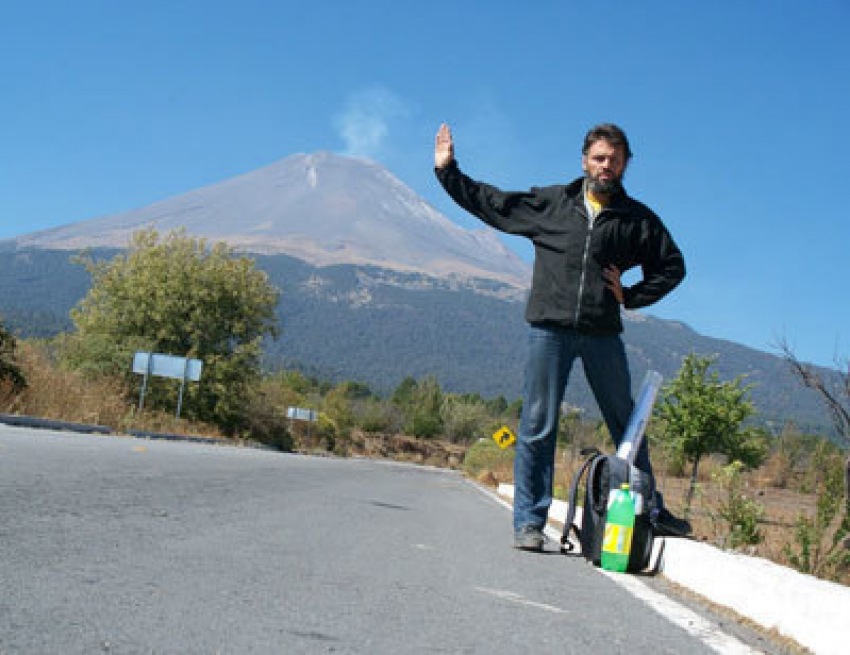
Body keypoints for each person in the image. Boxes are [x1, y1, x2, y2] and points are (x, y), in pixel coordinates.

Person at [433, 122, 690, 551]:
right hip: (549, 329)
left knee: (629, 425)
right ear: (585, 160)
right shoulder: (552, 203)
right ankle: (529, 523)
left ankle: (651, 511)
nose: (607, 166)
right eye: (599, 158)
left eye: (615, 159)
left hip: (602, 333)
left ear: (626, 164)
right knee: (537, 425)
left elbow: (672, 266)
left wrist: (631, 295)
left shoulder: (637, 220)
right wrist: (448, 171)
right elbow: (492, 203)